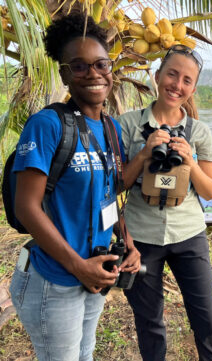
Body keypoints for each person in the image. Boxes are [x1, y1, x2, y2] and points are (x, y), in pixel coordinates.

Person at [9, 13, 140, 361]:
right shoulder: (47, 125)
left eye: (101, 64)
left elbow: (109, 197)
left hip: (93, 274)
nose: (94, 74)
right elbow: (27, 207)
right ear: (65, 73)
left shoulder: (110, 130)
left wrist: (129, 244)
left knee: (85, 355)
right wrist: (76, 266)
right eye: (79, 66)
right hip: (54, 279)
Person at [119, 44, 212, 361]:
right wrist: (144, 152)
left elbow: (209, 191)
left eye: (187, 80)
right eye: (172, 75)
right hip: (141, 237)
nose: (177, 85)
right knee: (149, 321)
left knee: (206, 316)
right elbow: (117, 184)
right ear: (157, 76)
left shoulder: (199, 132)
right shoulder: (127, 125)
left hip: (189, 235)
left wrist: (191, 162)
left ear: (193, 88)